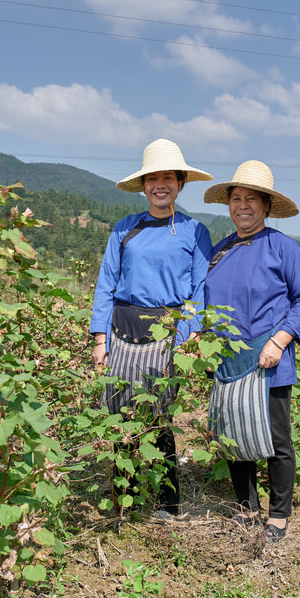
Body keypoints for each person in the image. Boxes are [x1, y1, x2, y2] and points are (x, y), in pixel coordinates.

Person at [90, 138, 213, 518]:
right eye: (153, 178)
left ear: (180, 183)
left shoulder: (195, 231)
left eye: (168, 178)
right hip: (122, 327)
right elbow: (106, 281)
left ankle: (166, 501)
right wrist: (99, 337)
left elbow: (200, 287)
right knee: (121, 411)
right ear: (144, 186)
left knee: (159, 415)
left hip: (167, 334)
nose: (160, 184)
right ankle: (123, 494)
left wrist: (190, 333)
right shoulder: (125, 228)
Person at [202, 160, 300, 542]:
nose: (243, 205)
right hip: (228, 360)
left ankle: (278, 516)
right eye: (236, 199)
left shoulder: (282, 247)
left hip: (269, 359)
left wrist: (280, 339)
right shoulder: (220, 251)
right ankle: (246, 510)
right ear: (229, 205)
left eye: (252, 199)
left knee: (275, 440)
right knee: (236, 437)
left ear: (267, 206)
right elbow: (204, 304)